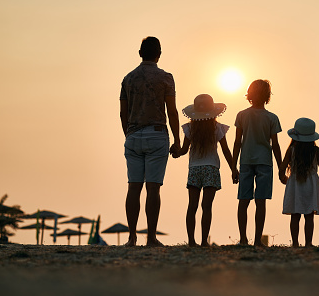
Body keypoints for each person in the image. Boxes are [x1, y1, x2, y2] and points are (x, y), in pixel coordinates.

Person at [120, 36, 181, 247]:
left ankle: (131, 237)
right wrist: (177, 140)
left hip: (134, 134)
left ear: (140, 53)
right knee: (153, 189)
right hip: (157, 134)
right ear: (159, 54)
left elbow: (123, 113)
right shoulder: (165, 78)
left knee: (133, 187)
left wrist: (128, 134)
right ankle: (151, 237)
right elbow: (171, 111)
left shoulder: (128, 79)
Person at [173, 94, 236, 247]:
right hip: (211, 168)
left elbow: (183, 150)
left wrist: (176, 152)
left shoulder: (190, 128)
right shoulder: (217, 128)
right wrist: (234, 169)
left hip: (194, 169)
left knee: (192, 206)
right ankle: (203, 241)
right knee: (206, 207)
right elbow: (226, 151)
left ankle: (191, 241)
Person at [232, 79, 283, 247]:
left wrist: (233, 165)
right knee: (261, 201)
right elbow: (275, 145)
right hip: (265, 162)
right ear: (267, 96)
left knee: (243, 200)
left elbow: (237, 142)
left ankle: (243, 239)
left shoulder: (241, 115)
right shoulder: (272, 117)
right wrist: (281, 167)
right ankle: (257, 239)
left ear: (250, 95)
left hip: (246, 160)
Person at [279, 118, 319, 247]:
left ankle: (294, 243)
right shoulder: (317, 151)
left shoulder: (292, 150)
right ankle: (308, 243)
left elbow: (282, 168)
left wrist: (283, 179)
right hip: (311, 185)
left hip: (294, 184)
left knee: (295, 215)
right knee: (309, 216)